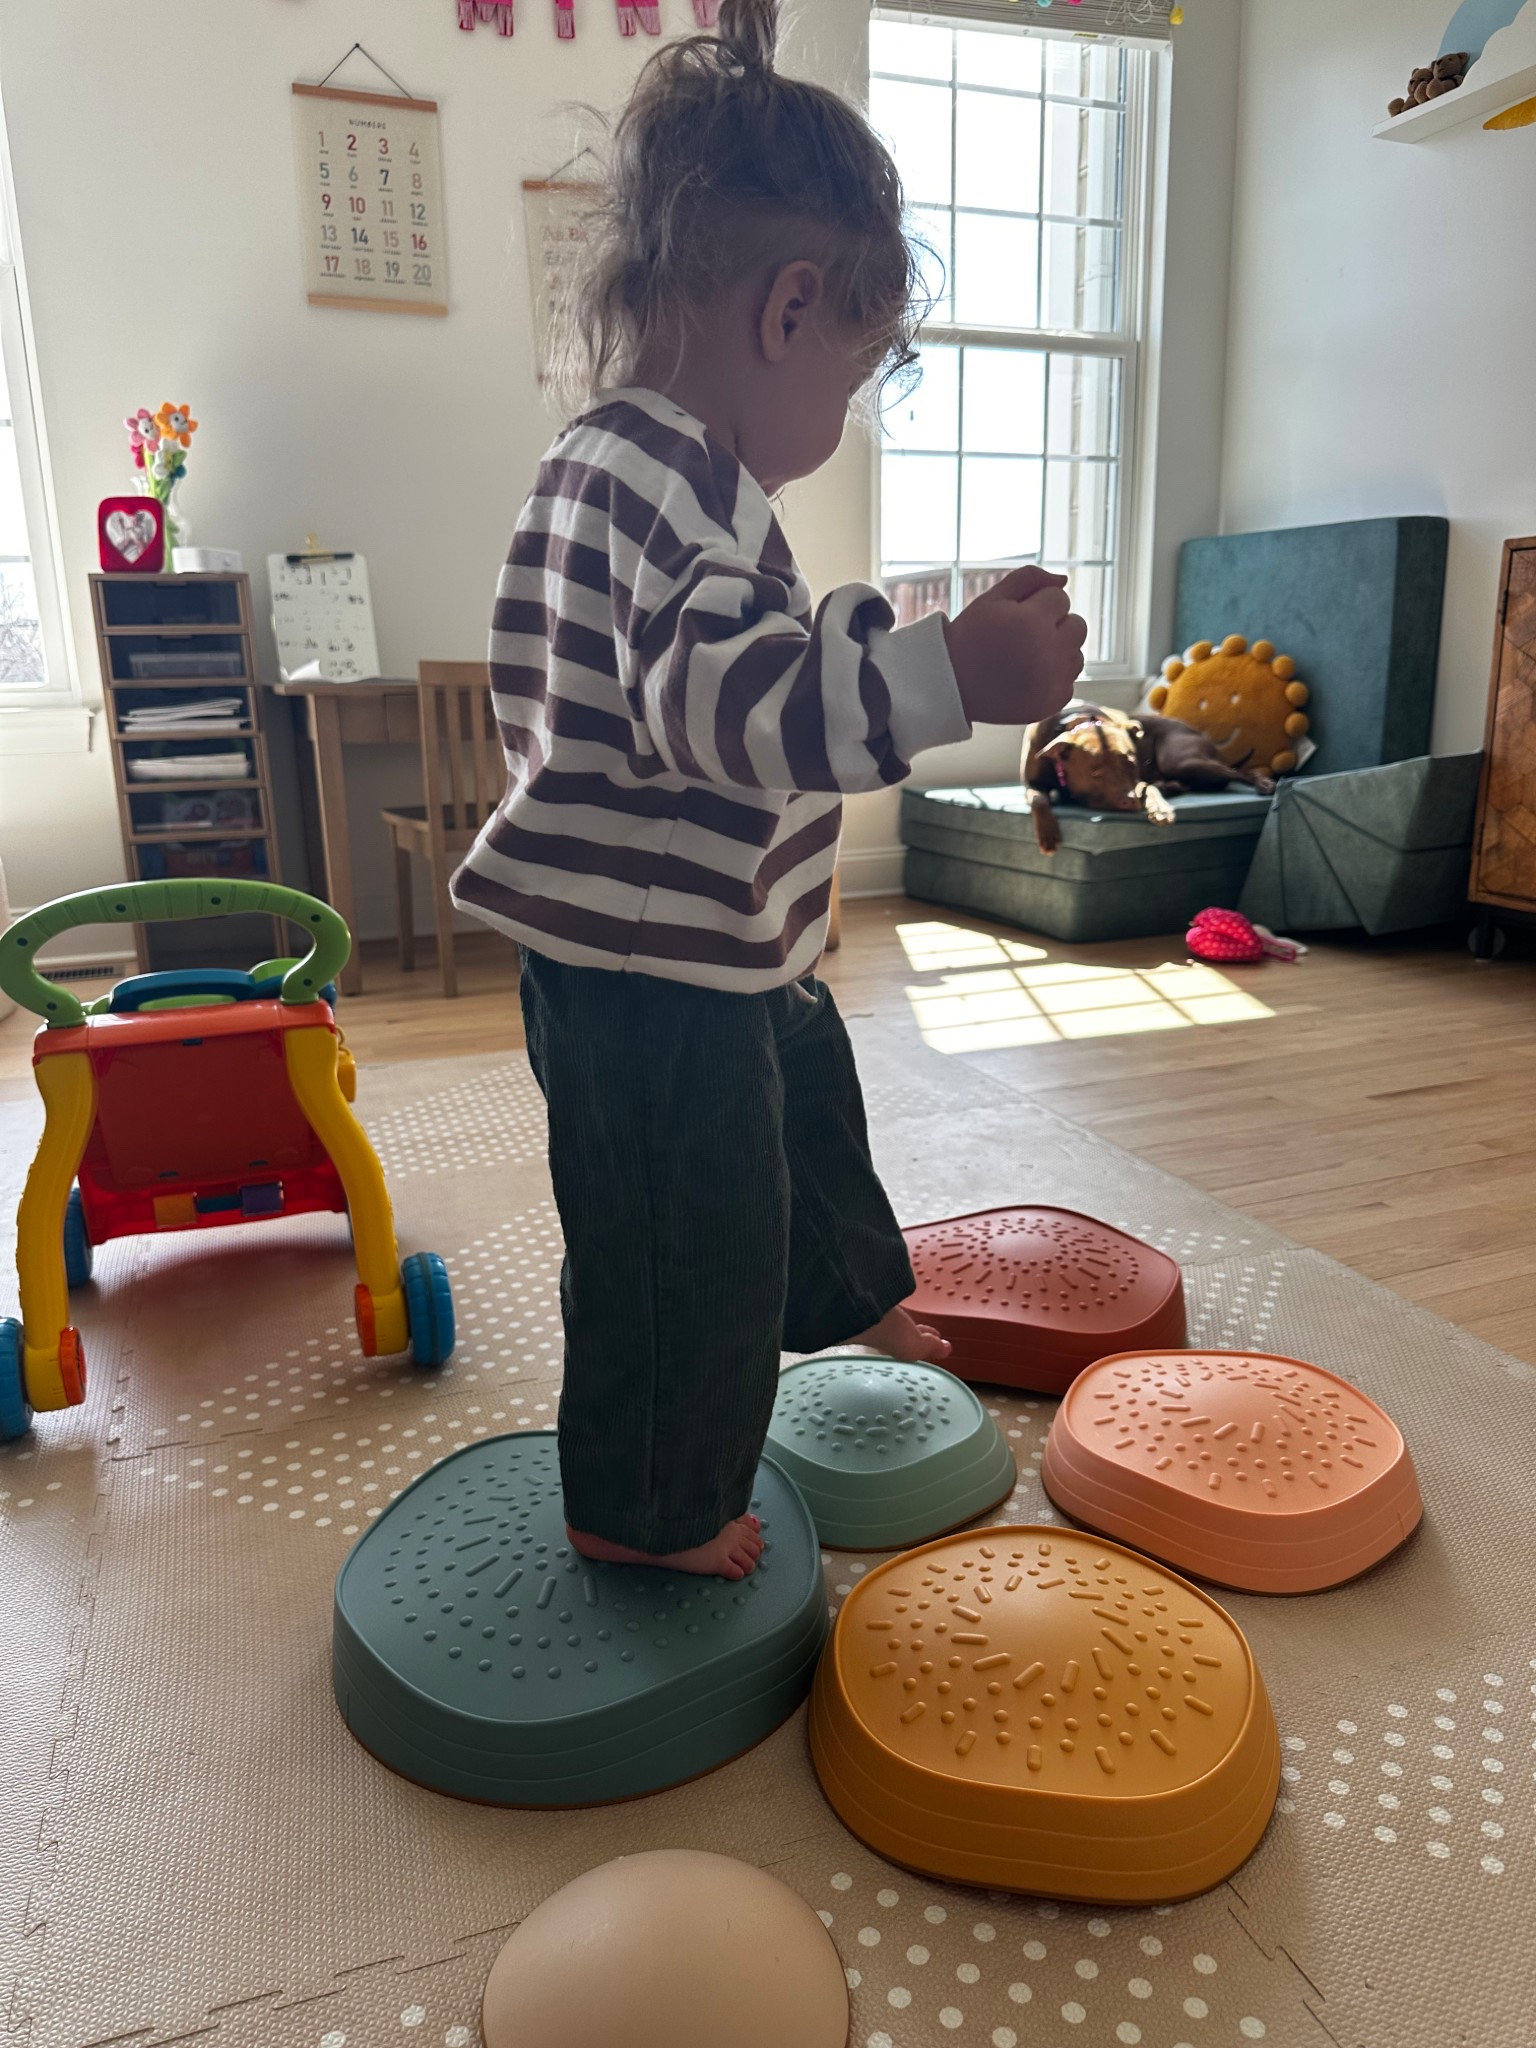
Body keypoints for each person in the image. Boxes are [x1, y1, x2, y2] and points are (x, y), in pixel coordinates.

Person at [452, 0, 1086, 1580]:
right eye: (858, 382)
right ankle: (646, 1508)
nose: (838, 423)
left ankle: (848, 1288)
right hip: (642, 979)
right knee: (683, 1253)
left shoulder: (629, 461)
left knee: (804, 1083)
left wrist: (885, 638)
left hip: (695, 948)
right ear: (792, 310)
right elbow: (731, 705)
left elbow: (738, 662)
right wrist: (954, 678)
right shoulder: (675, 482)